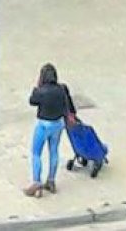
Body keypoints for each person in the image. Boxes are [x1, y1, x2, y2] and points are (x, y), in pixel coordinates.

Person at [25, 63, 76, 197]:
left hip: (43, 124)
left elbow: (32, 101)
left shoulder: (40, 91)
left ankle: (37, 183)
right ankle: (51, 181)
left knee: (36, 153)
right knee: (54, 151)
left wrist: (36, 87)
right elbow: (68, 104)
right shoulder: (62, 89)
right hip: (58, 124)